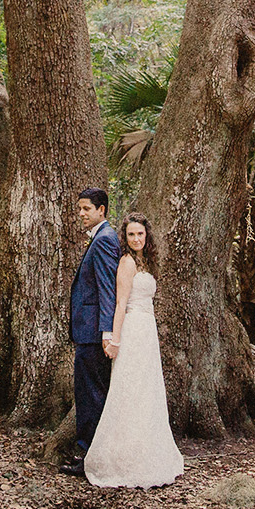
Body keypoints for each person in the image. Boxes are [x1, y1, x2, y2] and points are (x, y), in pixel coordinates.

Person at [84, 214, 184, 488]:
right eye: (131, 235)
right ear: (125, 238)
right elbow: (120, 303)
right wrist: (114, 339)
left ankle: (148, 450)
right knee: (129, 389)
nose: (136, 239)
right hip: (131, 330)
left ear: (146, 236)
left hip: (147, 332)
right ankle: (121, 456)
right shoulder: (126, 263)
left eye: (140, 234)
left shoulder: (146, 262)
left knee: (147, 390)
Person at [62, 188, 121, 477]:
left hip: (94, 333)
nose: (82, 214)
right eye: (80, 209)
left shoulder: (105, 240)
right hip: (89, 331)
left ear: (102, 210)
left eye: (87, 209)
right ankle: (89, 454)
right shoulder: (100, 238)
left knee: (92, 396)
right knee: (88, 395)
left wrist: (106, 332)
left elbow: (108, 289)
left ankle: (91, 458)